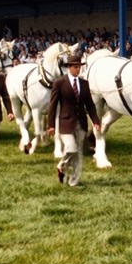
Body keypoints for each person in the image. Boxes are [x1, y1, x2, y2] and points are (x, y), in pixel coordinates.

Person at [47, 54, 100, 187]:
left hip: (81, 122)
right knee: (71, 149)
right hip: (65, 122)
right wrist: (51, 125)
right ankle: (62, 166)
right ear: (69, 68)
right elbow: (52, 105)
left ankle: (74, 181)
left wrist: (96, 121)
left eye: (79, 67)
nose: (78, 70)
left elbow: (90, 104)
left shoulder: (84, 84)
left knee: (79, 154)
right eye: (76, 67)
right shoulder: (59, 83)